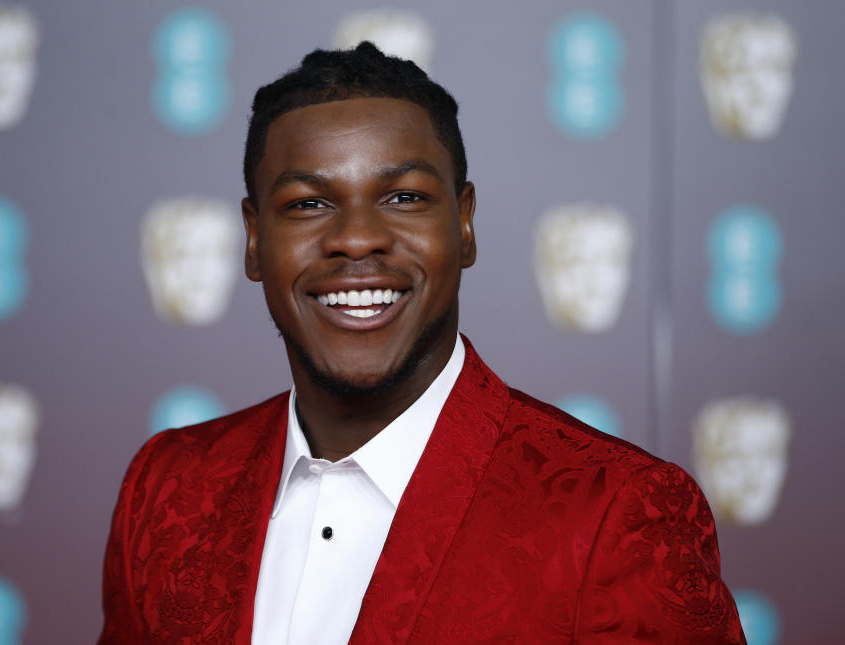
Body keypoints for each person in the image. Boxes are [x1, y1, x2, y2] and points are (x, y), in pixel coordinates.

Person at [98, 42, 746, 644]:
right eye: (307, 204)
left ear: (463, 226)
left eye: (404, 197)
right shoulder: (167, 484)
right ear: (252, 238)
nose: (356, 238)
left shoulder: (621, 512)